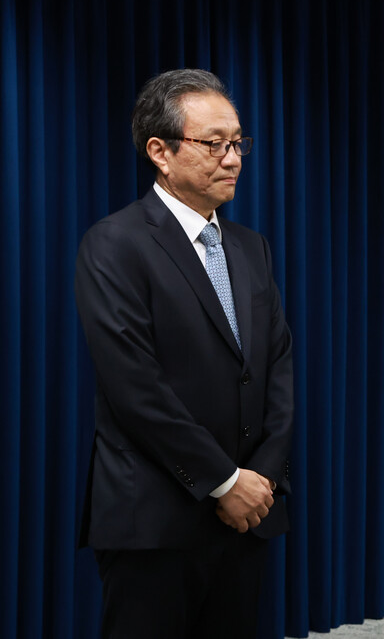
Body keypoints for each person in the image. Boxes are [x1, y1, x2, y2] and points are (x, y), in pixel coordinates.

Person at [74, 69, 294, 638]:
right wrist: (225, 481)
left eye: (238, 142)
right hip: (157, 521)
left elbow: (276, 370)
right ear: (160, 152)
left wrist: (260, 481)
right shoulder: (115, 242)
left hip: (248, 517)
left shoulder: (251, 247)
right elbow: (135, 387)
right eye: (214, 143)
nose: (233, 158)